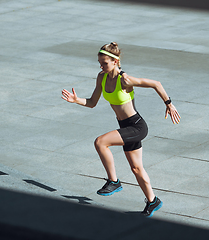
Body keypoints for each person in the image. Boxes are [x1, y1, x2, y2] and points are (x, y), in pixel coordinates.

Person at [61, 42, 180, 217]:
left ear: (115, 61)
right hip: (125, 127)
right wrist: (76, 100)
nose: (101, 66)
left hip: (136, 126)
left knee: (100, 142)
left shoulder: (125, 80)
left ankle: (113, 181)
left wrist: (169, 104)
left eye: (105, 63)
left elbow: (156, 83)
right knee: (136, 168)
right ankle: (153, 201)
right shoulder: (101, 77)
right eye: (100, 63)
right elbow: (92, 103)